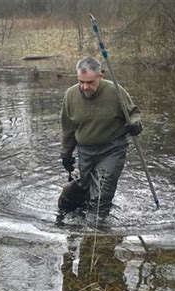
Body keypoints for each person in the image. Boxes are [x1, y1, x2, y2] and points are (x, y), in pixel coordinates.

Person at [59, 56, 142, 216]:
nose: (84, 87)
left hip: (112, 149)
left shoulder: (115, 91)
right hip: (85, 152)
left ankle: (99, 231)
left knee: (102, 193)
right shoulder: (70, 95)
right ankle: (82, 217)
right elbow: (68, 129)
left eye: (90, 82)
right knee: (85, 191)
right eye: (81, 82)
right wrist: (66, 154)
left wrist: (134, 124)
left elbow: (134, 114)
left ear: (100, 76)